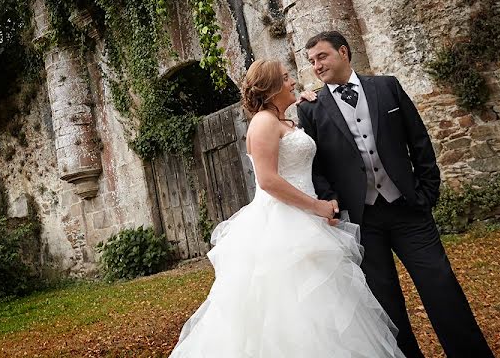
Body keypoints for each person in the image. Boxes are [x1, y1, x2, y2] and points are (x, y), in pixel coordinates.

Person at [170, 59, 404, 358]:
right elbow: (268, 181)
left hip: (308, 218)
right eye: (285, 78)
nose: (292, 82)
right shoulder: (263, 123)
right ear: (269, 89)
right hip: (282, 224)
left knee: (330, 305)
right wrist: (317, 206)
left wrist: (307, 101)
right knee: (294, 310)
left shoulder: (284, 121)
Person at [297, 30, 494, 358]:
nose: (317, 66)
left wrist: (427, 191)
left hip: (408, 209)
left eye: (322, 57)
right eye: (312, 61)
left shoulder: (386, 86)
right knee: (386, 304)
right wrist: (333, 203)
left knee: (442, 287)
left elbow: (418, 139)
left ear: (344, 52)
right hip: (362, 220)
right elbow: (315, 166)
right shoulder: (311, 109)